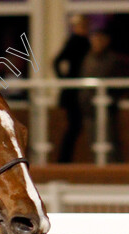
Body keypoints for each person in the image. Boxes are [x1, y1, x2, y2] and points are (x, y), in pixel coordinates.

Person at [80, 30, 128, 163]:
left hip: (106, 108)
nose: (96, 42)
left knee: (109, 140)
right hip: (88, 108)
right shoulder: (88, 58)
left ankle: (112, 167)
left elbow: (120, 83)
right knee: (93, 141)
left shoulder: (113, 60)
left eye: (100, 39)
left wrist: (112, 99)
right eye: (94, 39)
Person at [53, 15, 90, 163]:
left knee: (76, 126)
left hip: (78, 89)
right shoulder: (75, 41)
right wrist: (65, 79)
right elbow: (57, 61)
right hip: (73, 92)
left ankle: (65, 159)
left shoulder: (83, 41)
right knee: (74, 126)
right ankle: (63, 159)